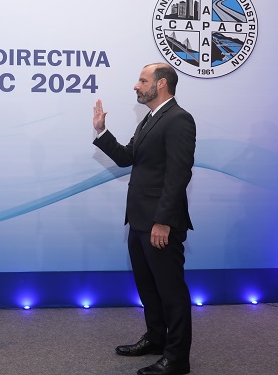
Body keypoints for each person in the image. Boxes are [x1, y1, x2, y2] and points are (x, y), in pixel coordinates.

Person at [92, 63, 195, 375]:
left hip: (159, 224)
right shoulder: (151, 119)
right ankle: (155, 338)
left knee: (171, 291)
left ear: (161, 84)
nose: (136, 86)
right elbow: (127, 158)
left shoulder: (179, 119)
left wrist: (163, 221)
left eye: (142, 80)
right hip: (138, 221)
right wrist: (101, 131)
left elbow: (178, 175)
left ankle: (177, 360)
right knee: (148, 287)